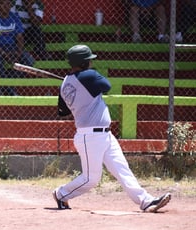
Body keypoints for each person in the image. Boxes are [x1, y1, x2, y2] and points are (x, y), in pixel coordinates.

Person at [52, 45, 171, 212]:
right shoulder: (89, 76)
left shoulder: (65, 84)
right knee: (91, 179)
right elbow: (106, 86)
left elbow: (62, 111)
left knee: (122, 169)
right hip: (90, 136)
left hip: (104, 135)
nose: (91, 63)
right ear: (84, 62)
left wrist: (76, 87)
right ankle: (61, 193)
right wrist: (83, 84)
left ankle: (145, 201)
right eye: (89, 60)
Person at [0, 0, 35, 95]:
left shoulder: (14, 17)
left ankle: (5, 85)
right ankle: (10, 90)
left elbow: (20, 38)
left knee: (30, 61)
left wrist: (19, 53)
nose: (6, 6)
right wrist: (3, 53)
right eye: (2, 3)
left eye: (8, 4)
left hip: (12, 47)